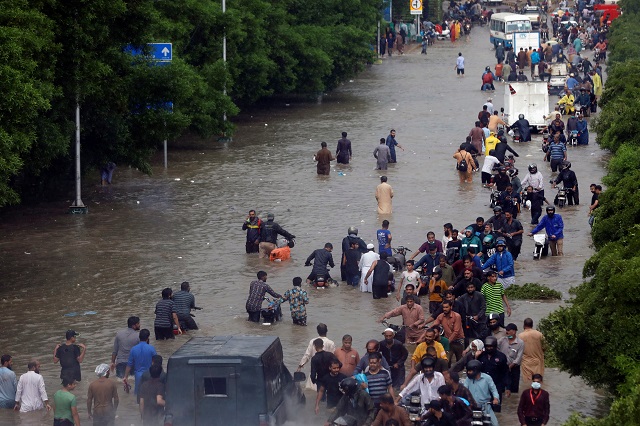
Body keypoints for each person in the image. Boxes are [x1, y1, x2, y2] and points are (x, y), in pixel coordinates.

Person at [463, 360, 499, 426]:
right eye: (468, 371)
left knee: (495, 424)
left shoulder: (487, 378)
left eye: (470, 371)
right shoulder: (468, 379)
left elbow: (494, 390)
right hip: (472, 407)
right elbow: (464, 390)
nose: (468, 372)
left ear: (476, 370)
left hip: (486, 406)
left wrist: (495, 399)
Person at [123, 329, 156, 395]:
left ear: (139, 337)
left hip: (138, 376)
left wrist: (125, 377)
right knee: (149, 395)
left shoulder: (133, 349)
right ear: (148, 337)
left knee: (138, 397)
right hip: (148, 375)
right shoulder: (151, 348)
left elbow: (129, 365)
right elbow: (155, 362)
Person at [498, 323, 524, 396]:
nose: (507, 332)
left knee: (514, 390)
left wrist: (510, 366)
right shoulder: (503, 340)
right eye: (506, 330)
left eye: (509, 331)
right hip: (502, 368)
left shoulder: (520, 343)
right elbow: (495, 346)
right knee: (501, 388)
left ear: (514, 331)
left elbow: (519, 357)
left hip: (514, 368)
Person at [519, 318, 546, 383]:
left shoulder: (520, 336)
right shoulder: (539, 334)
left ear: (524, 325)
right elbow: (545, 347)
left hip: (526, 362)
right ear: (532, 325)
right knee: (538, 382)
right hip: (538, 361)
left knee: (528, 384)